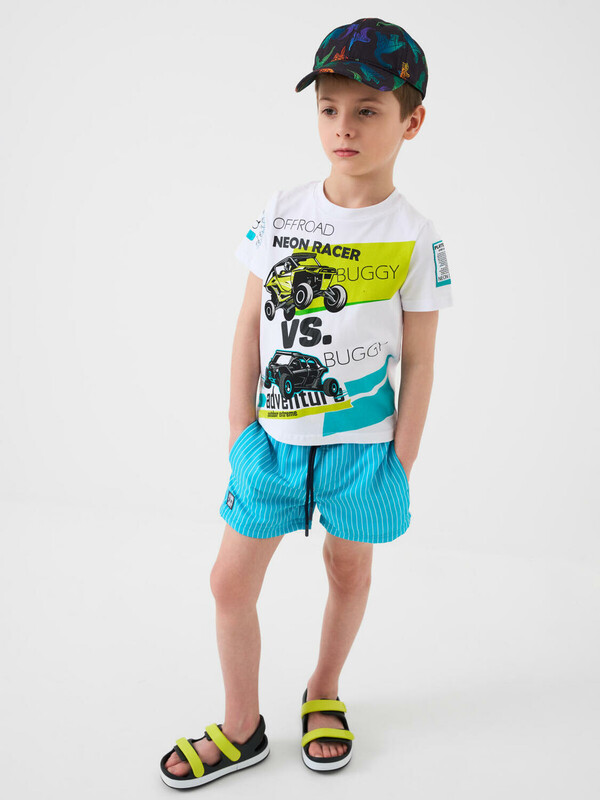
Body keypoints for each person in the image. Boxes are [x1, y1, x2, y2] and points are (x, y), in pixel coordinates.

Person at [159, 16, 453, 789]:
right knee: (229, 582)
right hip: (274, 443)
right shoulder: (281, 209)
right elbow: (247, 325)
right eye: (329, 108)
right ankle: (242, 727)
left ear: (412, 121)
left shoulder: (415, 236)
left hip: (363, 448)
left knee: (348, 571)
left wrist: (401, 461)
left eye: (367, 110)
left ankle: (324, 691)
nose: (342, 127)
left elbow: (421, 360)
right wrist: (239, 429)